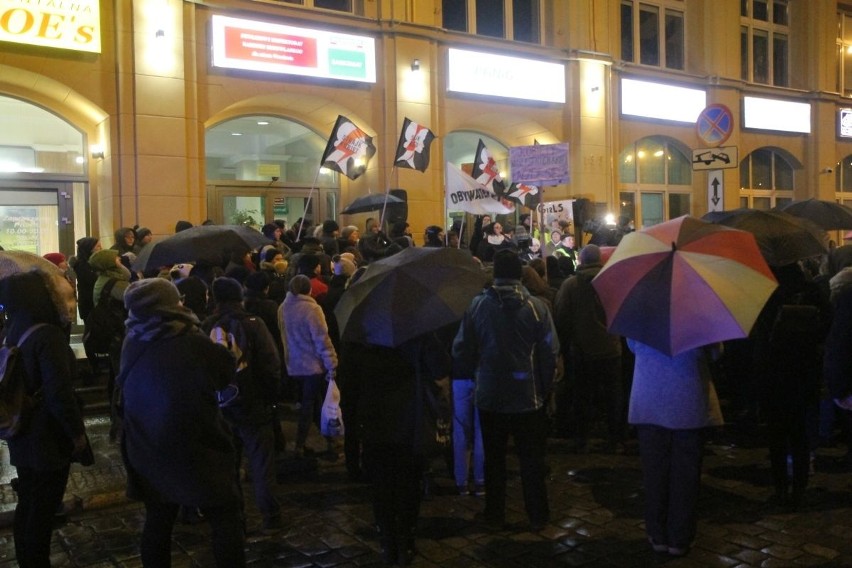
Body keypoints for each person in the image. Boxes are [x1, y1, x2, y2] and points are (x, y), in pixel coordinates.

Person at [117, 278, 246, 566]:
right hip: (195, 445)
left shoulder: (133, 338)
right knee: (224, 516)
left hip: (147, 444)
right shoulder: (188, 339)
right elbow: (224, 370)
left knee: (159, 519)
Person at [452, 250, 560, 531]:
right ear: (519, 274)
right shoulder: (537, 307)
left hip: (489, 394)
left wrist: (476, 370)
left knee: (494, 458)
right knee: (532, 460)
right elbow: (550, 352)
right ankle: (537, 514)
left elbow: (461, 349)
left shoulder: (477, 306)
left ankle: (495, 513)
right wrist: (546, 387)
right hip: (529, 395)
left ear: (494, 273)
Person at [0, 270, 90, 568]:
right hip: (46, 435)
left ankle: (28, 558)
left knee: (29, 502)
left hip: (22, 429)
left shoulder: (13, 329)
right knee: (43, 507)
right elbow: (58, 393)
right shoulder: (47, 336)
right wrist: (77, 435)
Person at [340, 332, 451, 565]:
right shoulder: (419, 334)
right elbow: (441, 367)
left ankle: (388, 541)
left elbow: (348, 383)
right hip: (410, 422)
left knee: (381, 487)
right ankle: (406, 540)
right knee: (409, 484)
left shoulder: (360, 338)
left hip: (374, 424)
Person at [202, 277, 283, 532]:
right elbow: (271, 365)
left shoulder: (206, 326)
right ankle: (270, 515)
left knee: (228, 467)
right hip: (253, 403)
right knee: (261, 464)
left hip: (222, 405)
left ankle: (235, 517)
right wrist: (271, 398)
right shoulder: (253, 324)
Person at [628, 339, 723, 557]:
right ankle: (679, 538)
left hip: (650, 399)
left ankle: (657, 534)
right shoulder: (701, 313)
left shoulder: (641, 311)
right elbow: (715, 354)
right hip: (688, 401)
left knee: (654, 474)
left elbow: (633, 348)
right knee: (686, 477)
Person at [554, 244, 624, 453]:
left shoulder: (571, 285)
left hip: (581, 349)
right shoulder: (612, 283)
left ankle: (581, 438)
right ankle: (616, 438)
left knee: (582, 395)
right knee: (613, 395)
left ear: (581, 261)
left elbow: (562, 317)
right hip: (611, 348)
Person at [279, 275, 338, 457]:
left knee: (314, 402)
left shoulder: (283, 308)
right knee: (311, 404)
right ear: (309, 290)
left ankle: (326, 441)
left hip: (294, 363)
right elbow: (321, 339)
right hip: (312, 364)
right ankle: (302, 443)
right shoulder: (312, 309)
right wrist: (331, 363)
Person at [69, 237, 101, 322]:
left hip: (93, 302)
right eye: (98, 246)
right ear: (89, 248)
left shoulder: (93, 262)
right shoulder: (82, 265)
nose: (101, 249)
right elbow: (92, 281)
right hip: (88, 302)